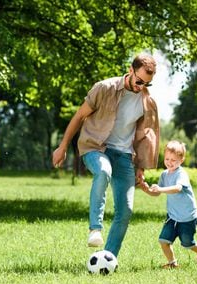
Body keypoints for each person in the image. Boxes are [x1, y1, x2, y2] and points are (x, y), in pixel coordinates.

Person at [52, 53, 159, 257]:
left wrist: (141, 168)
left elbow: (145, 136)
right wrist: (63, 146)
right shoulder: (104, 88)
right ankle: (95, 229)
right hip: (95, 146)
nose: (141, 87)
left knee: (126, 210)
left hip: (124, 155)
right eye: (139, 81)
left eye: (147, 84)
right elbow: (79, 116)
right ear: (130, 70)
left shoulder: (148, 102)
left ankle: (108, 258)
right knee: (103, 171)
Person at [141, 140, 197, 268]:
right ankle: (172, 264)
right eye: (167, 159)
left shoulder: (181, 174)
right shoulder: (164, 175)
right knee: (163, 241)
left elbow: (178, 188)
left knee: (187, 243)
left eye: (173, 160)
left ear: (181, 160)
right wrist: (148, 190)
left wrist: (161, 189)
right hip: (172, 216)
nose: (169, 162)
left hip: (187, 217)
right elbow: (157, 193)